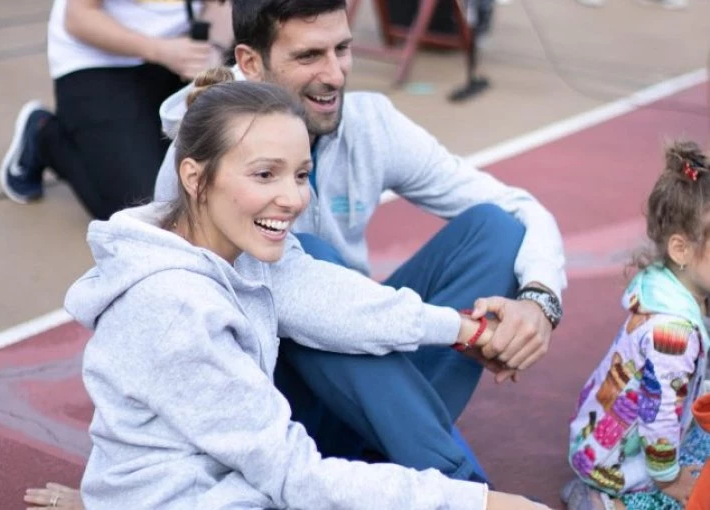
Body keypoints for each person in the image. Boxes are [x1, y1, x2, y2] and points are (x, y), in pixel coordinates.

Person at [41, 67, 550, 510]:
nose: (291, 199)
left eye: (301, 175)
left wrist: (467, 331)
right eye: (265, 174)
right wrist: (476, 501)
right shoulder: (177, 309)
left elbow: (346, 308)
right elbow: (295, 476)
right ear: (194, 179)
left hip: (246, 482)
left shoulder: (238, 249)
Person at [154, 0, 565, 480]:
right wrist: (463, 330)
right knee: (311, 265)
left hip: (360, 368)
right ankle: (449, 480)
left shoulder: (369, 123)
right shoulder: (203, 157)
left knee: (497, 232)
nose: (334, 75)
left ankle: (389, 459)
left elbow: (519, 207)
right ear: (250, 62)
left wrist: (540, 300)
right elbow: (309, 305)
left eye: (342, 49)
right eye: (309, 56)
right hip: (263, 404)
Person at [561, 141, 710, 510]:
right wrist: (671, 480)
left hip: (612, 435)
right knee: (689, 500)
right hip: (616, 459)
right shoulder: (672, 333)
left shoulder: (677, 286)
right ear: (681, 250)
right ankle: (605, 502)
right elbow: (658, 416)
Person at [0, 0, 233, 220]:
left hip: (184, 49)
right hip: (99, 61)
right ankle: (43, 135)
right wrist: (161, 50)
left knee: (212, 182)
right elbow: (79, 17)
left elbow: (221, 6)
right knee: (143, 211)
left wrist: (213, 48)